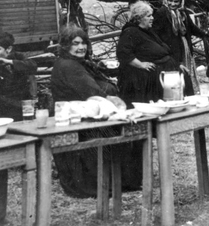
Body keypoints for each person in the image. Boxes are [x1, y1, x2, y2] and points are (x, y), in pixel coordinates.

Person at [51, 25, 142, 198]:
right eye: (75, 44)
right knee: (124, 133)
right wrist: (114, 101)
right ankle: (115, 181)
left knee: (129, 131)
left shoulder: (77, 63)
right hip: (78, 122)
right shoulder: (68, 66)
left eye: (83, 43)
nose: (81, 47)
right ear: (65, 45)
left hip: (90, 115)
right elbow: (93, 92)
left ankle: (122, 180)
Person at [117, 1, 180, 106]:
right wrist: (141, 65)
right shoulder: (130, 31)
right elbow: (123, 54)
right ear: (139, 18)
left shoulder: (148, 30)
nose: (152, 18)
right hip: (143, 76)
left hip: (164, 69)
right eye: (149, 16)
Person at [152, 0, 208, 95]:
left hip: (184, 46)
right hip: (169, 48)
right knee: (174, 73)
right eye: (170, 1)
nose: (172, 4)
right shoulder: (161, 13)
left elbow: (192, 28)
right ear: (166, 0)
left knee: (187, 71)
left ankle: (189, 94)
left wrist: (204, 35)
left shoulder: (183, 13)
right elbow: (156, 33)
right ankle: (176, 95)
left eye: (176, 1)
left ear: (180, 1)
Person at [0, 32, 37, 121]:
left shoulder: (17, 57)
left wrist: (10, 62)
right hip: (4, 110)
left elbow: (32, 66)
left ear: (8, 49)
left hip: (23, 107)